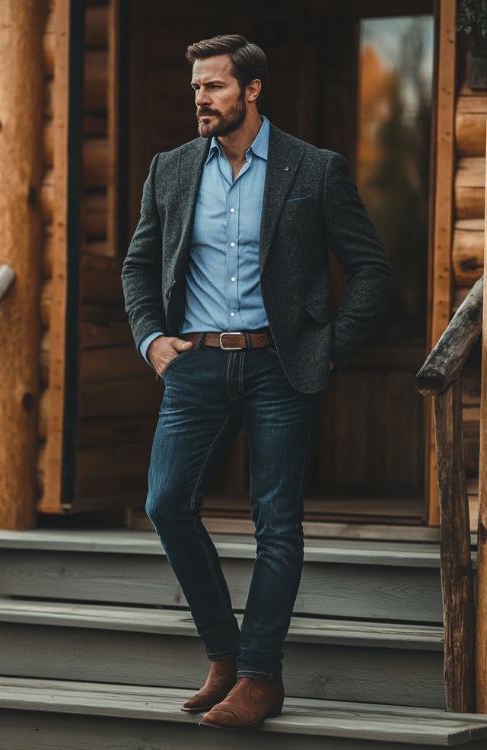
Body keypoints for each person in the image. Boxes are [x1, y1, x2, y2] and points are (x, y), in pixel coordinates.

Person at [122, 34, 393, 730]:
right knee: (166, 502)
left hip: (282, 363)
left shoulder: (314, 169)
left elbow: (371, 269)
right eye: (195, 89)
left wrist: (328, 350)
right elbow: (139, 263)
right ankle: (224, 653)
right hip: (198, 361)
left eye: (213, 86)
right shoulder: (172, 170)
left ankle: (260, 677)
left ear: (251, 89)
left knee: (277, 523)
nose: (200, 100)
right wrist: (152, 339)